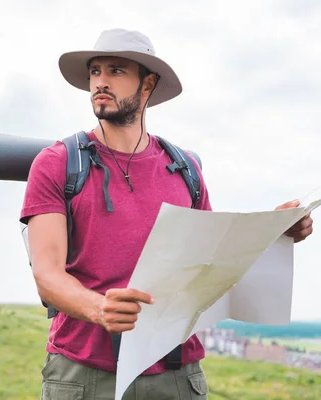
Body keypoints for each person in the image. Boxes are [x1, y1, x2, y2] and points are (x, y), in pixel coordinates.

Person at [19, 28, 314, 400]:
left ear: (148, 84)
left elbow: (213, 263)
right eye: (95, 71)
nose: (101, 82)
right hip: (84, 374)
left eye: (116, 70)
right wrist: (98, 308)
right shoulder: (58, 163)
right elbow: (46, 274)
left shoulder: (185, 168)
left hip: (175, 374)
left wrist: (275, 233)